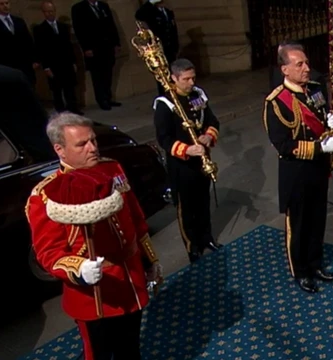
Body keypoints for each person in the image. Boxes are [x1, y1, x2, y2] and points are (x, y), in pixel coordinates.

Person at [25, 112, 163, 360]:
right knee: (98, 354)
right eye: (82, 144)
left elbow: (135, 218)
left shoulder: (112, 167)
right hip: (95, 292)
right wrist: (79, 269)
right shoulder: (46, 195)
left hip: (130, 278)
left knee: (130, 349)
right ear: (60, 149)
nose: (92, 148)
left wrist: (149, 260)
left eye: (93, 141)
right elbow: (48, 253)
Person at [263, 42, 333, 293]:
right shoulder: (276, 102)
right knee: (299, 226)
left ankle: (316, 263)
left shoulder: (316, 90)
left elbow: (322, 124)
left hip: (318, 171)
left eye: (306, 62)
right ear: (285, 69)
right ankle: (301, 271)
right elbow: (283, 145)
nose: (307, 68)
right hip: (296, 173)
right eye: (300, 64)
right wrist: (321, 149)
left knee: (317, 219)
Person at [153, 58, 222, 263]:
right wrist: (187, 149)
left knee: (203, 201)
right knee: (187, 207)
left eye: (193, 78)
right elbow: (164, 139)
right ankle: (192, 245)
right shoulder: (165, 104)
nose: (191, 83)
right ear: (174, 78)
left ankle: (207, 237)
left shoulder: (198, 95)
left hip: (202, 159)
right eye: (186, 79)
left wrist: (209, 136)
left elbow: (211, 120)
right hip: (181, 165)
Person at [71, 0, 121, 110]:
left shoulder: (103, 6)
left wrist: (116, 43)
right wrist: (86, 48)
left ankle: (108, 97)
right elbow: (79, 29)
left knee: (108, 73)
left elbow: (111, 24)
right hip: (93, 48)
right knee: (98, 75)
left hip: (107, 46)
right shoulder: (78, 8)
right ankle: (101, 100)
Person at [33, 1, 82, 114]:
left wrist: (73, 61)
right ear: (43, 13)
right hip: (53, 64)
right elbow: (40, 49)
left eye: (52, 11)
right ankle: (61, 110)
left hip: (66, 62)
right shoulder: (39, 29)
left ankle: (73, 108)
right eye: (47, 12)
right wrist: (46, 67)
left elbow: (69, 46)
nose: (50, 14)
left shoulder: (63, 27)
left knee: (70, 88)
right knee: (56, 89)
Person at [135, 0, 179, 95]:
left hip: (170, 48)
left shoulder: (168, 12)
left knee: (172, 72)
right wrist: (150, 2)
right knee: (162, 75)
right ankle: (164, 95)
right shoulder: (151, 12)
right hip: (159, 49)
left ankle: (174, 94)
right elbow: (138, 15)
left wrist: (176, 45)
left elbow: (173, 30)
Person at [0, 0, 39, 85]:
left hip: (25, 68)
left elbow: (29, 42)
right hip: (5, 68)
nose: (5, 6)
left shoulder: (19, 21)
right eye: (1, 4)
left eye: (7, 3)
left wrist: (35, 60)